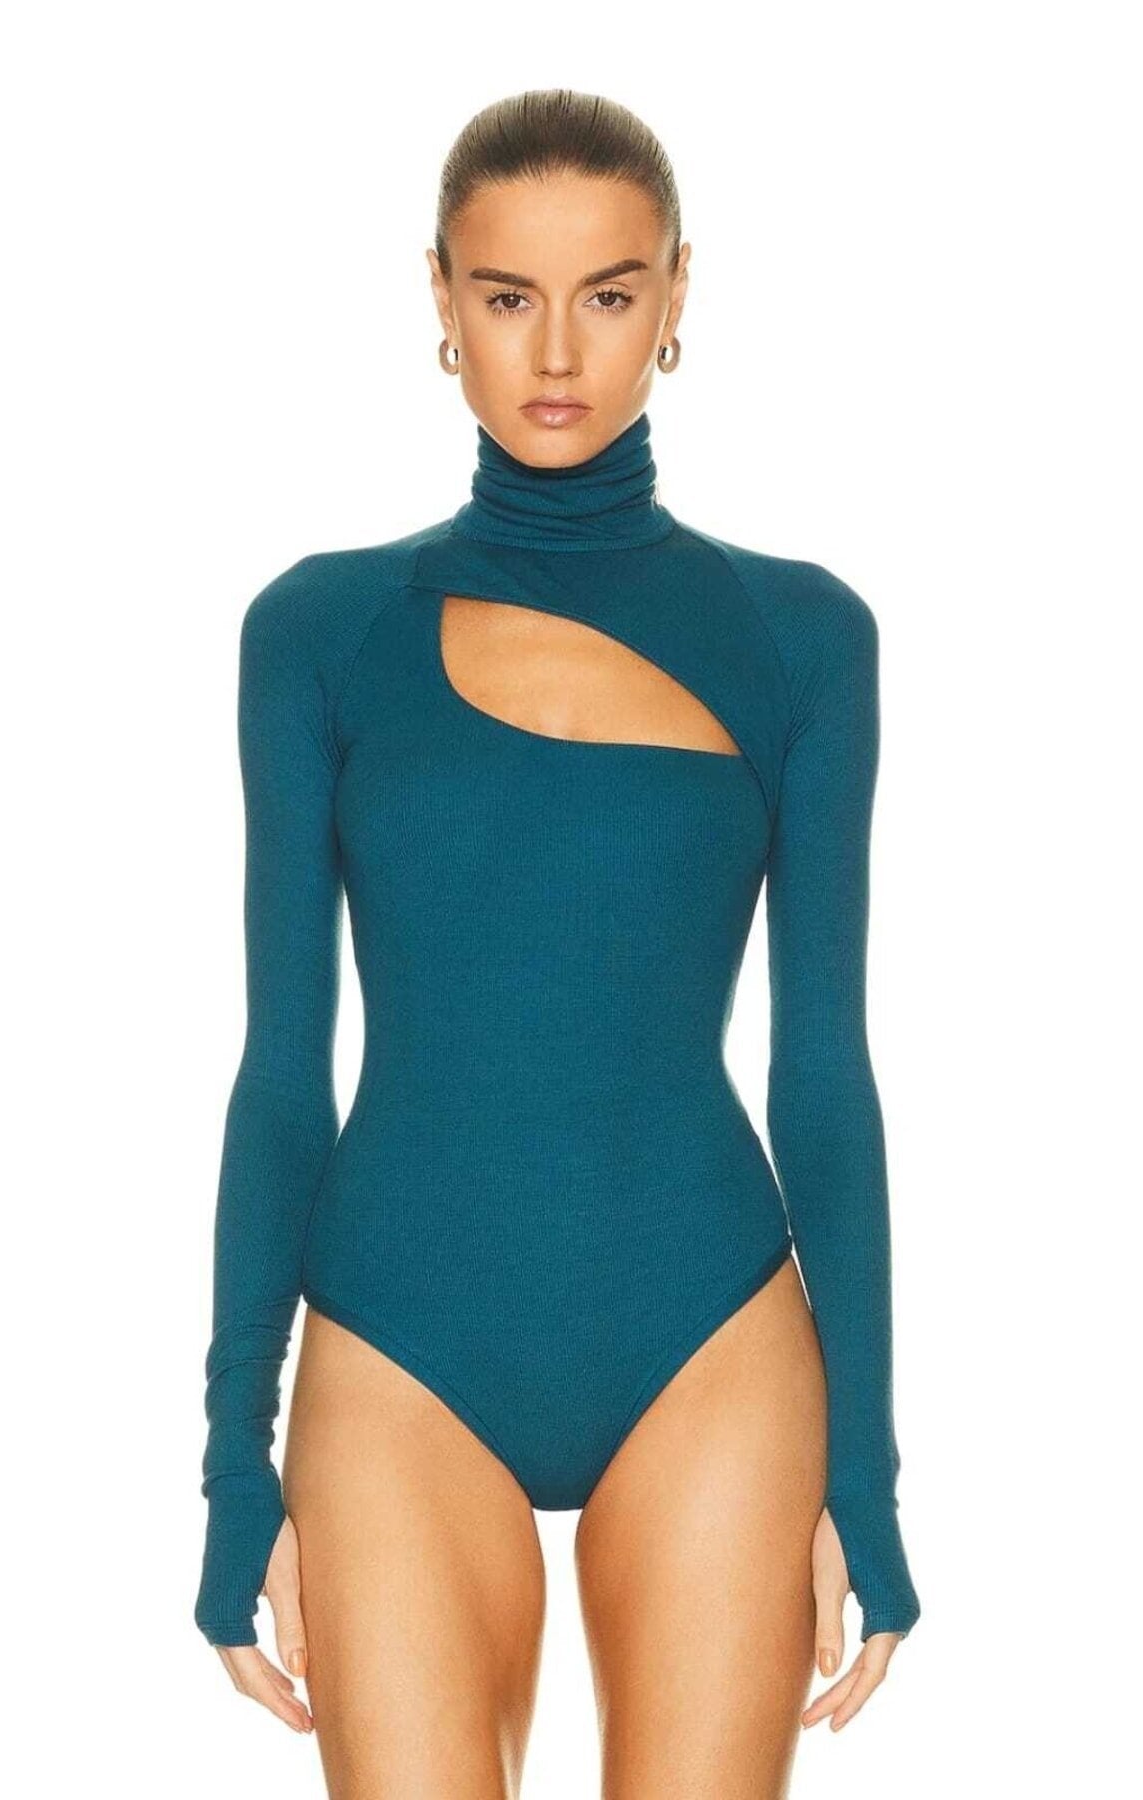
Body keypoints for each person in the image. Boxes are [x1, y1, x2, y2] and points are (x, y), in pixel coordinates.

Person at [194, 87, 922, 1798]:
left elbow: (823, 1073)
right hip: (397, 1336)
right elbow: (282, 1074)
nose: (556, 350)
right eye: (508, 293)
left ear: (677, 296)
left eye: (608, 291)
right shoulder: (317, 632)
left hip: (709, 1331)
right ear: (441, 298)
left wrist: (868, 1480)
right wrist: (236, 1465)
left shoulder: (804, 638)